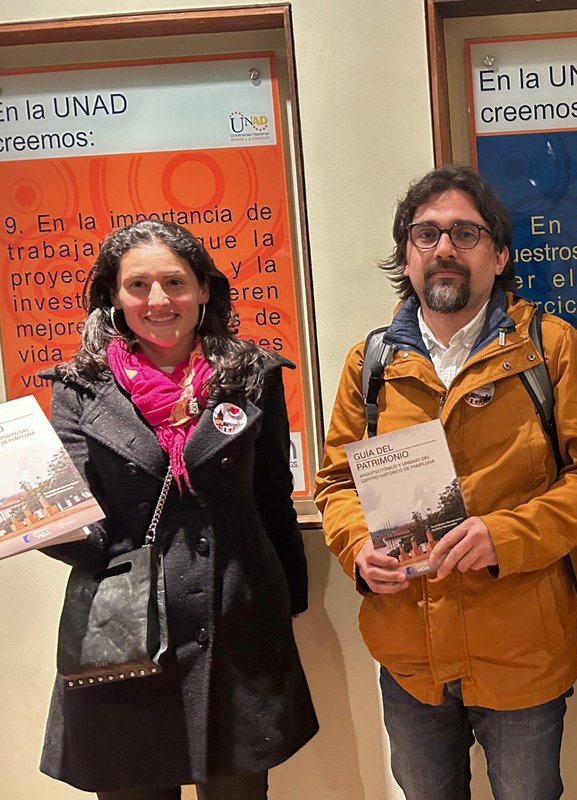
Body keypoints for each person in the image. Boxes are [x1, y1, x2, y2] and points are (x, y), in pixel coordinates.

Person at [315, 165, 577, 800]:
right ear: (406, 256)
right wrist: (357, 548)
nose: (444, 250)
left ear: (499, 254)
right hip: (410, 656)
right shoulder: (369, 363)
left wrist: (504, 535)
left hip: (522, 652)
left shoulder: (550, 347)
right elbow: (336, 483)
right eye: (425, 235)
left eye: (465, 234)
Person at [39, 219, 317, 799]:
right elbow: (81, 524)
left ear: (205, 290)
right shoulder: (78, 387)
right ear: (113, 297)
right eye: (138, 285)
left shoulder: (250, 375)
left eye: (175, 282)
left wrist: (288, 597)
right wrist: (39, 522)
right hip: (126, 635)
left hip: (234, 624)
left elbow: (272, 497)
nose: (158, 300)